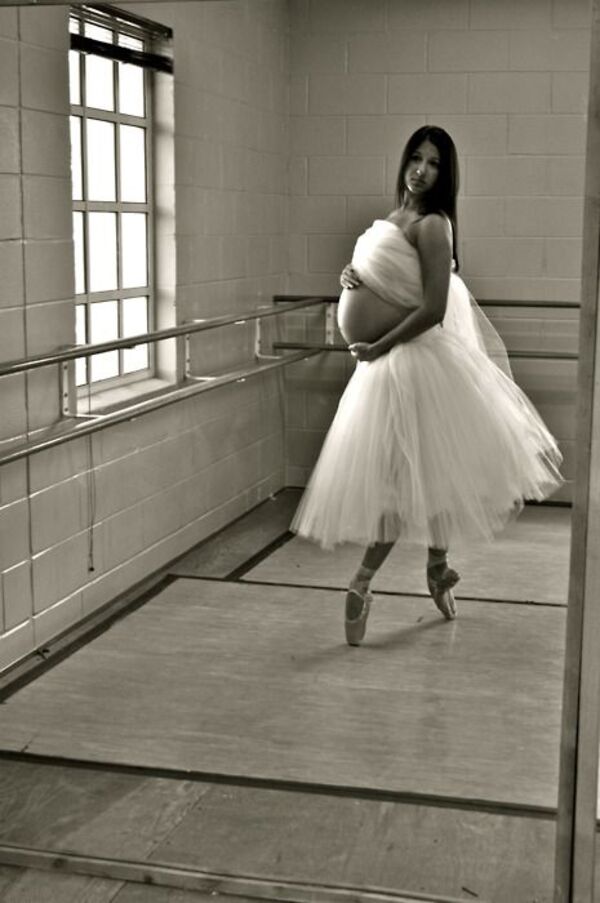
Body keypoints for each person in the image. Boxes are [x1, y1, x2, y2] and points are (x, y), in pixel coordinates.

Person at [291, 125, 563, 646]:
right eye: (416, 157)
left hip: (411, 363)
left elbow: (434, 309)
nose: (421, 169)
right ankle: (436, 569)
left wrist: (379, 345)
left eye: (434, 163)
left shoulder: (434, 225)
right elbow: (390, 279)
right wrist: (351, 274)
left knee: (413, 479)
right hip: (383, 368)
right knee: (419, 476)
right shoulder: (396, 217)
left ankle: (366, 582)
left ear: (445, 174)